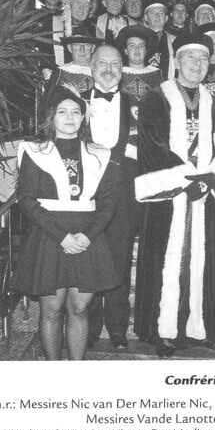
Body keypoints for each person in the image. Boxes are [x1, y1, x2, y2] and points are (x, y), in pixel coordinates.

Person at [133, 33, 215, 358]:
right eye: (190, 57)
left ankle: (207, 329)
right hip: (168, 196)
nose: (197, 63)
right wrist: (185, 179)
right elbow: (152, 144)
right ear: (176, 61)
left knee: (207, 263)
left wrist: (209, 178)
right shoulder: (155, 99)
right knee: (166, 262)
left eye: (203, 58)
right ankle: (164, 331)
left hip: (205, 195)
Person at [14, 85, 120, 360]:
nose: (70, 117)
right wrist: (61, 237)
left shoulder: (100, 154)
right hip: (49, 235)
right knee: (51, 310)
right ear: (51, 117)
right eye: (62, 112)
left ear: (83, 118)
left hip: (88, 237)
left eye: (75, 112)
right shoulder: (34, 151)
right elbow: (26, 200)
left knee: (80, 309)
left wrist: (88, 236)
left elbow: (109, 202)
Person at [82, 45, 140, 349]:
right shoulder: (74, 104)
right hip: (85, 198)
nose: (108, 69)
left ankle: (118, 329)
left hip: (123, 197)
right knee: (88, 262)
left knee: (120, 262)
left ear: (123, 69)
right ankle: (89, 329)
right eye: (102, 63)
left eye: (115, 63)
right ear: (92, 67)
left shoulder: (137, 104)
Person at [45, 24, 104, 95]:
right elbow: (48, 99)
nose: (82, 49)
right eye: (77, 45)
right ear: (70, 48)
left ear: (93, 48)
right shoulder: (60, 72)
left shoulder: (102, 72)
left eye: (87, 45)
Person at [115, 24, 163, 101]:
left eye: (141, 46)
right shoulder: (118, 75)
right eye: (132, 46)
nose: (137, 50)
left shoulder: (157, 75)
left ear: (146, 51)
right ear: (126, 51)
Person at [144, 2, 176, 80]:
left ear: (166, 18)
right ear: (146, 18)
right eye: (152, 13)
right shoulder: (138, 39)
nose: (157, 16)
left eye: (161, 13)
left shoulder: (174, 40)